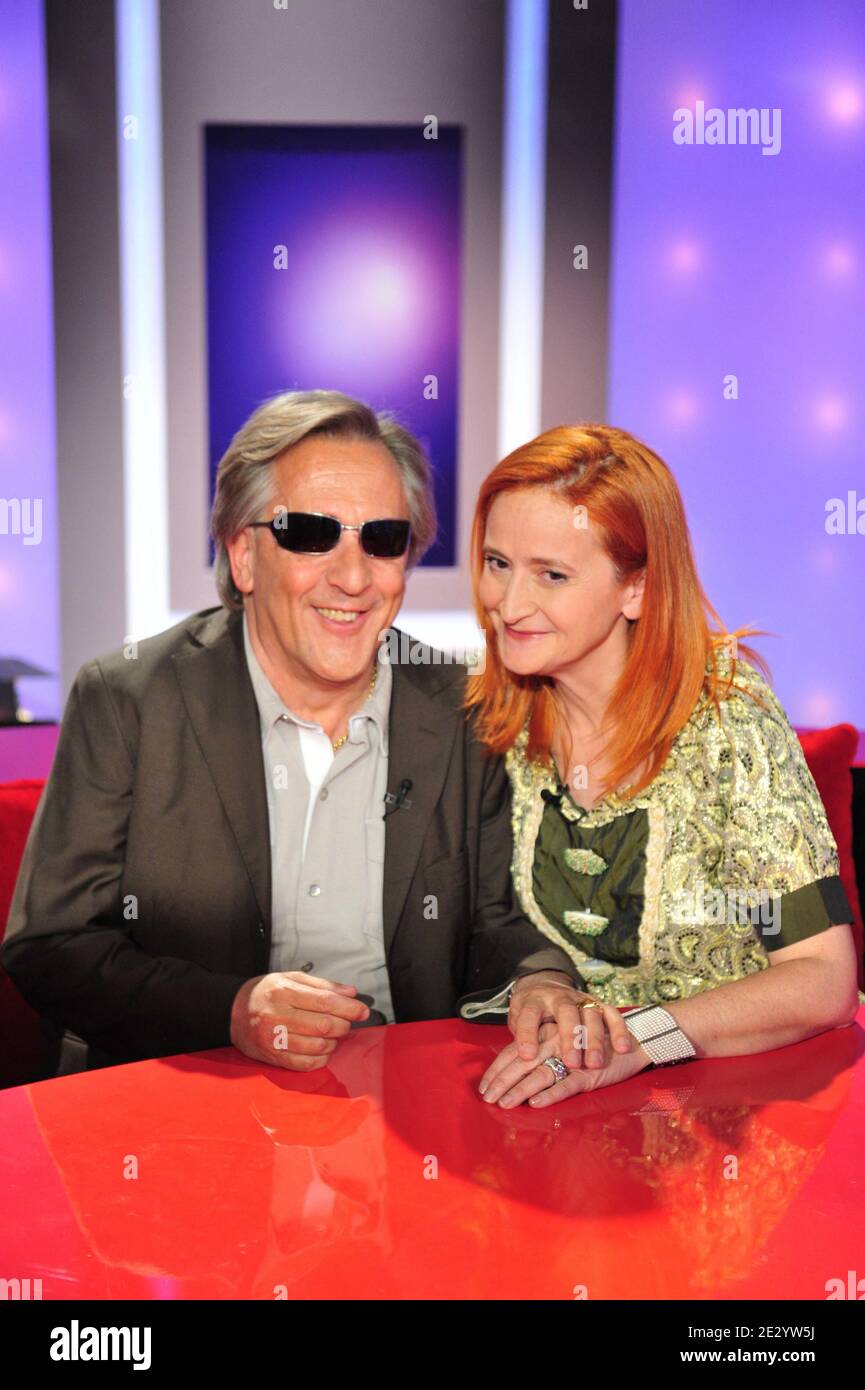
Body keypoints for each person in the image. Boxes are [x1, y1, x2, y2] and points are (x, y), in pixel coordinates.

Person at [1, 391, 584, 1073]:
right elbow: (52, 945)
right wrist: (230, 1010)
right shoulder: (129, 698)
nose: (352, 576)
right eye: (310, 533)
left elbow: (496, 924)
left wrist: (541, 980)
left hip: (406, 1105)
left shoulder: (463, 707)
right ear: (244, 555)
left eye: (382, 539)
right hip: (191, 1097)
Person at [461, 423, 860, 1109]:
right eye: (498, 563)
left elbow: (820, 980)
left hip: (735, 1108)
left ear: (636, 590)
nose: (508, 604)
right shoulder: (494, 715)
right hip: (556, 1101)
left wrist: (639, 1040)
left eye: (550, 574)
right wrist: (539, 989)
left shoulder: (726, 719)